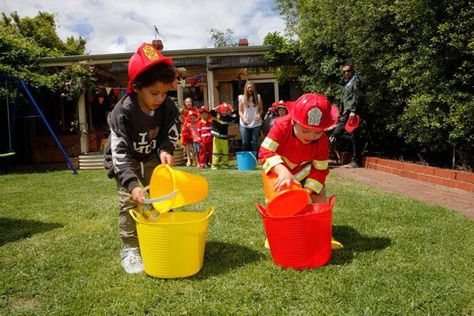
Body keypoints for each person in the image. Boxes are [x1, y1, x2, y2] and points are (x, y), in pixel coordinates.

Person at [103, 43, 179, 274]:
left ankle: (159, 236)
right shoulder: (123, 113)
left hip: (153, 155)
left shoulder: (168, 107)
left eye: (165, 92)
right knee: (130, 201)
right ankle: (130, 248)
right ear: (137, 88)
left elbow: (171, 133)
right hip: (127, 160)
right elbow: (120, 154)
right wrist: (132, 183)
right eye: (154, 93)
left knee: (162, 197)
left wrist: (166, 149)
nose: (160, 98)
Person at [259, 93, 343, 249]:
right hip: (277, 171)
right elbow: (265, 152)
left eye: (318, 132)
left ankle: (324, 233)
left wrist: (308, 190)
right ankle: (274, 234)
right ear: (293, 121)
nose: (311, 136)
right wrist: (282, 171)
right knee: (277, 200)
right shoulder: (280, 126)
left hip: (304, 172)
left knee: (320, 194)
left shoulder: (322, 141)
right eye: (305, 131)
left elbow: (320, 170)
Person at [330, 63, 364, 168]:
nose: (346, 73)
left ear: (352, 71)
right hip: (347, 112)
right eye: (344, 71)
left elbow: (355, 96)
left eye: (348, 71)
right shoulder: (348, 82)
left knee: (337, 133)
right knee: (352, 136)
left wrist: (353, 111)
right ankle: (358, 144)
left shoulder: (355, 81)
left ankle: (356, 161)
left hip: (352, 113)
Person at [238, 81, 263, 152]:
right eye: (248, 87)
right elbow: (240, 111)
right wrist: (243, 119)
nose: (250, 89)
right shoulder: (241, 97)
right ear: (245, 88)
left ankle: (255, 158)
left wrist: (259, 114)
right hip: (244, 123)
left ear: (254, 88)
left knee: (254, 141)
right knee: (245, 142)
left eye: (251, 87)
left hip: (256, 123)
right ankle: (246, 158)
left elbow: (261, 110)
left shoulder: (258, 97)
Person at [211, 102, 233, 169]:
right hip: (216, 137)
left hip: (224, 137)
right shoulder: (216, 114)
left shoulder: (228, 117)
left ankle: (225, 165)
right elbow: (211, 112)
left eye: (226, 110)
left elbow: (235, 116)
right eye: (223, 110)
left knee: (225, 152)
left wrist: (231, 110)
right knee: (216, 152)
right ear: (220, 110)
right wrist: (216, 108)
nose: (224, 112)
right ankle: (215, 165)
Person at [180, 97, 198, 166]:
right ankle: (188, 159)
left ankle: (193, 158)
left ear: (192, 102)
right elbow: (181, 119)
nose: (188, 103)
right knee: (187, 144)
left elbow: (198, 117)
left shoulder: (195, 109)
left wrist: (193, 122)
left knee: (193, 144)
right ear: (185, 103)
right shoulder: (183, 110)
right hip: (185, 129)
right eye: (187, 102)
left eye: (189, 102)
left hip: (193, 129)